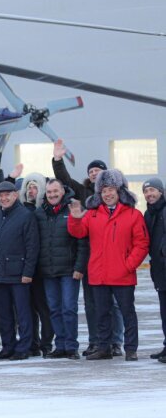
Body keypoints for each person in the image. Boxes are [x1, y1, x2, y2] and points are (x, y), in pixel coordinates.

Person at [68, 169, 149, 361]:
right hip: (99, 274)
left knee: (127, 312)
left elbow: (142, 243)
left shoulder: (133, 214)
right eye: (103, 190)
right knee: (101, 313)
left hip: (123, 274)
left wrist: (128, 265)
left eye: (111, 189)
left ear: (119, 190)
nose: (107, 194)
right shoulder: (92, 214)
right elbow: (78, 233)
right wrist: (75, 217)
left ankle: (131, 349)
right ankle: (103, 348)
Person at [52, 139, 124, 356]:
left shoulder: (116, 195)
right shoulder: (83, 193)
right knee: (92, 304)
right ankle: (96, 341)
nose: (94, 174)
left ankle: (116, 342)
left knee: (114, 304)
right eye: (91, 171)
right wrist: (57, 159)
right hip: (91, 258)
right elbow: (64, 179)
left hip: (113, 258)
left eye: (98, 170)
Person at [0, 181, 40, 360]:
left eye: (7, 194)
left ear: (15, 195)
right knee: (4, 314)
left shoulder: (25, 215)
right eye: (0, 196)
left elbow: (32, 247)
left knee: (23, 314)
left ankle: (24, 347)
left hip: (18, 274)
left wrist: (28, 273)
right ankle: (8, 346)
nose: (4, 198)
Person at [35, 179, 88, 359]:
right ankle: (60, 345)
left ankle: (71, 346)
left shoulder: (73, 210)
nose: (52, 195)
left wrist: (79, 267)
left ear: (63, 192)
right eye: (49, 192)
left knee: (69, 308)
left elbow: (82, 242)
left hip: (69, 270)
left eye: (55, 191)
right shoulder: (39, 213)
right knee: (54, 309)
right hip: (48, 271)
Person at [18, 172, 54, 357]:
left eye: (35, 187)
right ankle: (32, 342)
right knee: (28, 308)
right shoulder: (21, 209)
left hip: (42, 268)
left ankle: (46, 343)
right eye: (29, 187)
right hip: (24, 268)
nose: (32, 191)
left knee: (44, 308)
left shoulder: (46, 210)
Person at [142, 178, 166, 361]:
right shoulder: (148, 214)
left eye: (152, 190)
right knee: (164, 311)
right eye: (146, 191)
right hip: (159, 270)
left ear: (160, 191)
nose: (149, 194)